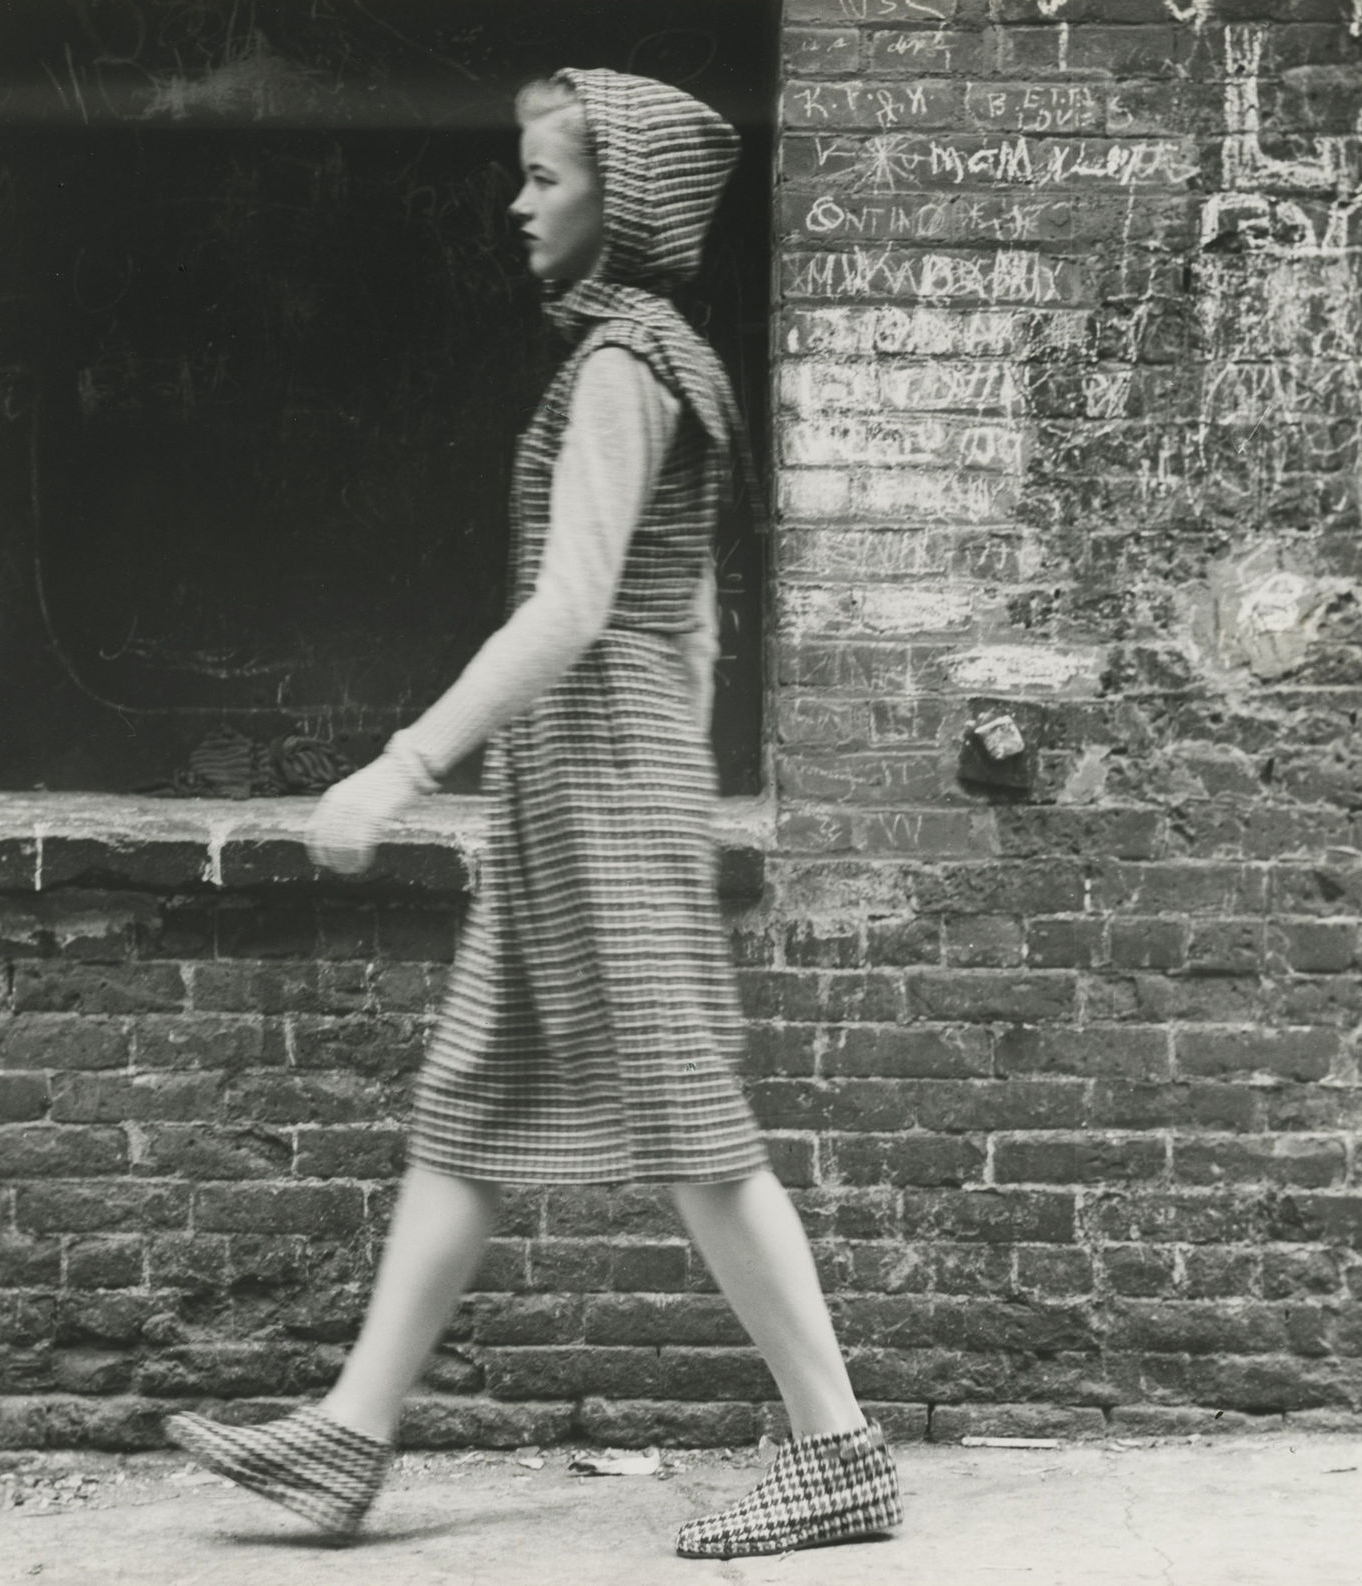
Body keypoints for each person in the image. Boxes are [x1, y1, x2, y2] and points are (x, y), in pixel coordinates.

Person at [167, 67, 903, 1561]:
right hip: (588, 784)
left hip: (603, 787)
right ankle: (350, 1434)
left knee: (687, 1118)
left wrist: (401, 767)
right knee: (476, 1098)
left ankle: (839, 1451)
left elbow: (571, 609)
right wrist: (635, 762)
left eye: (546, 175)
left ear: (621, 201)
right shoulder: (655, 360)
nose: (519, 202)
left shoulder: (627, 364)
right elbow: (688, 626)